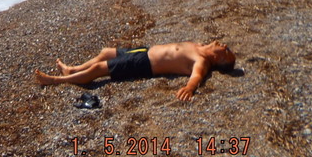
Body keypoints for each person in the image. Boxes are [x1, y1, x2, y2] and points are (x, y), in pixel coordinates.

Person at [34, 41, 236, 102]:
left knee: (98, 69)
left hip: (144, 64)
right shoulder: (199, 45)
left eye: (225, 50)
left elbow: (196, 77)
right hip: (145, 52)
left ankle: (54, 80)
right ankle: (72, 69)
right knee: (106, 52)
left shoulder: (201, 61)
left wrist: (189, 88)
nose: (224, 44)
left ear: (218, 59)